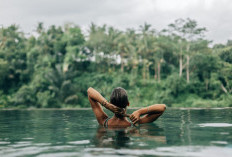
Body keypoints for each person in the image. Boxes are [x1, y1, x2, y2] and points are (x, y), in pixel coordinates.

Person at [87, 87, 166, 128]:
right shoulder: (134, 123)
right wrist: (140, 112)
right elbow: (162, 108)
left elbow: (90, 91)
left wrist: (106, 105)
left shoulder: (103, 122)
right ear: (128, 103)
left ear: (111, 103)